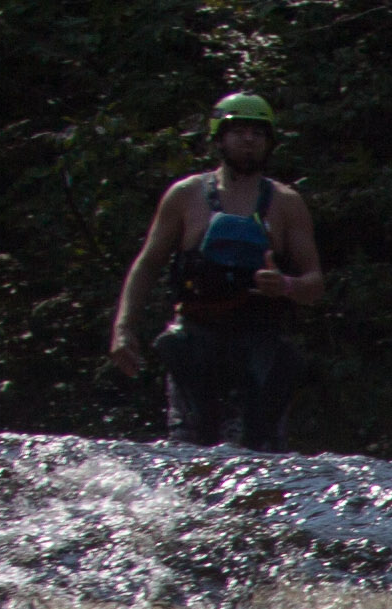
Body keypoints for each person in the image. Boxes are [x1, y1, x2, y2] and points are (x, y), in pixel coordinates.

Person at [108, 94, 323, 450]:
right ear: (219, 138)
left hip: (260, 340)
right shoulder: (185, 196)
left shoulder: (287, 203)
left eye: (258, 133)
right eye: (239, 131)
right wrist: (123, 328)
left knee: (262, 448)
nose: (249, 140)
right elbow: (147, 265)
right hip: (196, 336)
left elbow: (315, 284)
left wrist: (286, 285)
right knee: (189, 445)